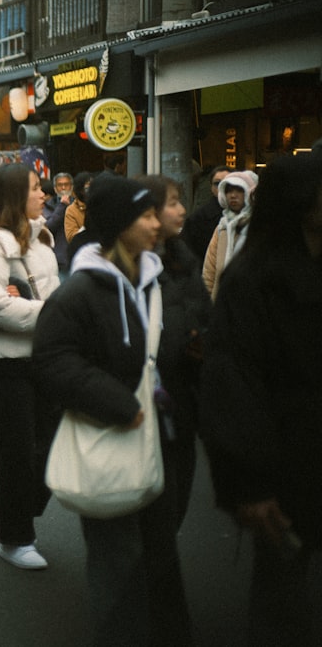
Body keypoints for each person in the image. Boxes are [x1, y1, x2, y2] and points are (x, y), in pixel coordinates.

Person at [34, 175, 192, 646]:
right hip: (113, 432)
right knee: (118, 562)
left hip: (160, 436)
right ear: (119, 224)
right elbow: (52, 359)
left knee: (159, 553)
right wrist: (118, 403)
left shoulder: (156, 276)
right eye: (145, 215)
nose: (156, 222)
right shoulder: (80, 292)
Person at [199, 155, 322, 645]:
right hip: (285, 465)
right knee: (283, 592)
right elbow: (232, 387)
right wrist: (248, 484)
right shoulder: (252, 281)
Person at [0, 163, 61, 570]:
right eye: (34, 188)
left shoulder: (43, 238)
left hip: (46, 357)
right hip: (7, 362)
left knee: (53, 445)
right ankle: (15, 538)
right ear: (15, 196)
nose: (43, 194)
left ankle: (10, 501)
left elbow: (54, 294)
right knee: (17, 453)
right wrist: (53, 313)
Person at [136, 174, 210, 529]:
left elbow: (204, 314)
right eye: (173, 202)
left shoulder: (184, 257)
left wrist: (202, 341)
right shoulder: (124, 267)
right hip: (139, 404)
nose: (182, 210)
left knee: (177, 496)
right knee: (150, 514)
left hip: (183, 399)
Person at [202, 170, 257, 299]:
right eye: (228, 191)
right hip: (221, 306)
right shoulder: (222, 229)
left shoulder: (259, 228)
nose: (233, 195)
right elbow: (209, 273)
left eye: (239, 190)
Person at [181, 165, 231, 262]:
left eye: (227, 183)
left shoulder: (248, 216)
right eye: (217, 183)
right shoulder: (198, 219)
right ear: (211, 188)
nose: (222, 187)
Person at [63, 170, 92, 243]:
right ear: (80, 190)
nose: (92, 191)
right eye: (88, 188)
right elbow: (71, 237)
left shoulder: (100, 204)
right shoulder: (71, 210)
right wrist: (87, 227)